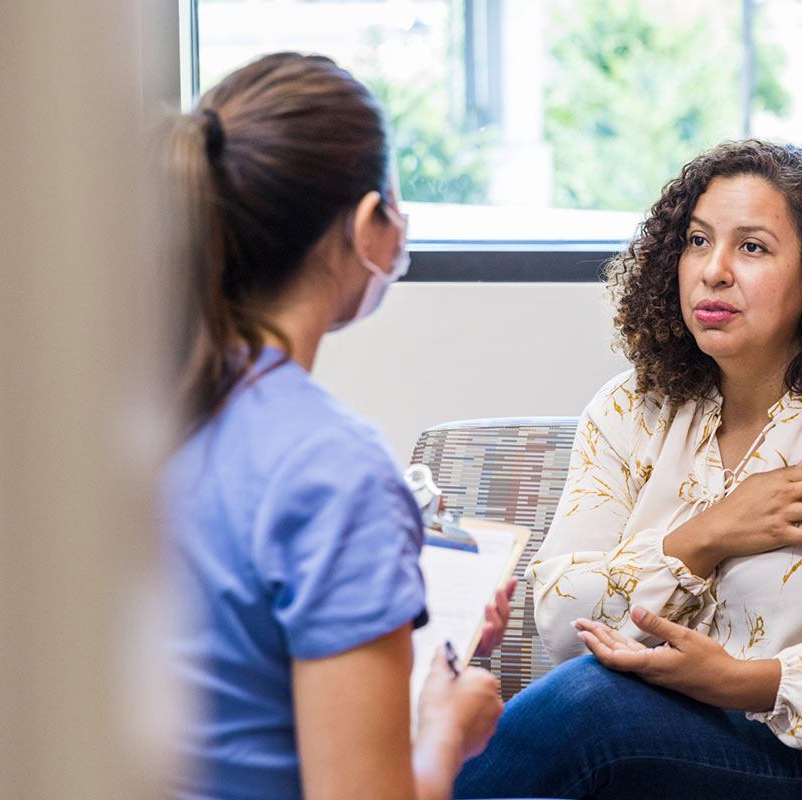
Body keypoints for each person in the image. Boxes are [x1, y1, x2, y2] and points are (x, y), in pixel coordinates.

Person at [454, 140, 802, 800]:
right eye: (698, 242)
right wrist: (708, 536)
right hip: (665, 744)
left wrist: (745, 680)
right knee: (583, 715)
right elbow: (562, 617)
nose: (714, 270)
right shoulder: (629, 409)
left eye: (752, 247)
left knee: (588, 706)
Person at [163, 52, 512, 800]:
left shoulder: (143, 410)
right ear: (365, 226)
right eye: (395, 197)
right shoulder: (335, 468)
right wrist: (448, 729)